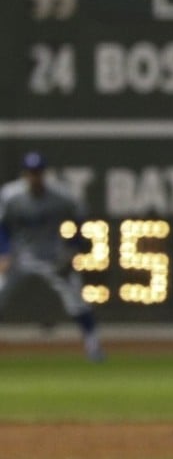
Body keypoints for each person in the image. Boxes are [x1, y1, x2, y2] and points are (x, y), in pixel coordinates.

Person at [0, 151, 105, 362]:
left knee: (76, 300)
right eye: (30, 173)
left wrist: (72, 248)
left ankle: (93, 346)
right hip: (20, 256)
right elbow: (2, 226)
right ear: (24, 174)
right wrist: (4, 253)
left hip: (52, 256)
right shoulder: (10, 195)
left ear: (44, 173)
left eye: (38, 172)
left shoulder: (60, 196)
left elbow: (81, 219)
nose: (34, 177)